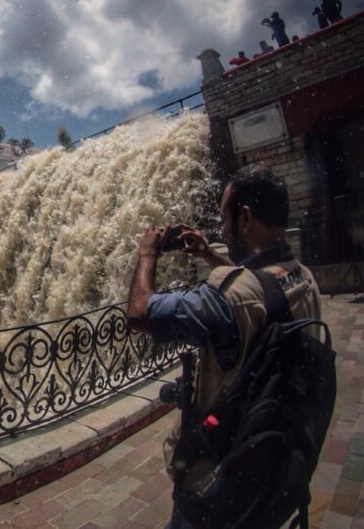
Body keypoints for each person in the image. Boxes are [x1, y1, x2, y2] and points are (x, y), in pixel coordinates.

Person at [125, 166, 322, 528]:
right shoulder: (304, 276)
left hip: (223, 470)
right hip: (277, 448)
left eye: (225, 218)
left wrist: (147, 253)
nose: (223, 229)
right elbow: (262, 287)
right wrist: (210, 255)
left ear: (245, 217)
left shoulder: (226, 301)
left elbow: (139, 313)